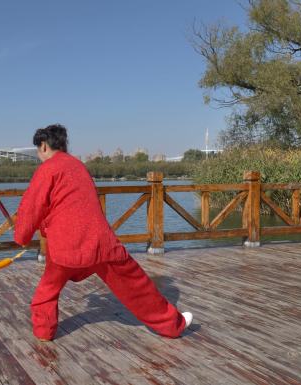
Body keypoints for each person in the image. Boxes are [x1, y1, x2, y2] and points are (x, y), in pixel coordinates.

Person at [13, 124, 192, 341]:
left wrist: (21, 236)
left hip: (65, 246)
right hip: (99, 242)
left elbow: (32, 206)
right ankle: (174, 325)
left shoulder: (48, 168)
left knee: (47, 290)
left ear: (43, 146)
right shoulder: (78, 166)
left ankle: (43, 332)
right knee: (137, 286)